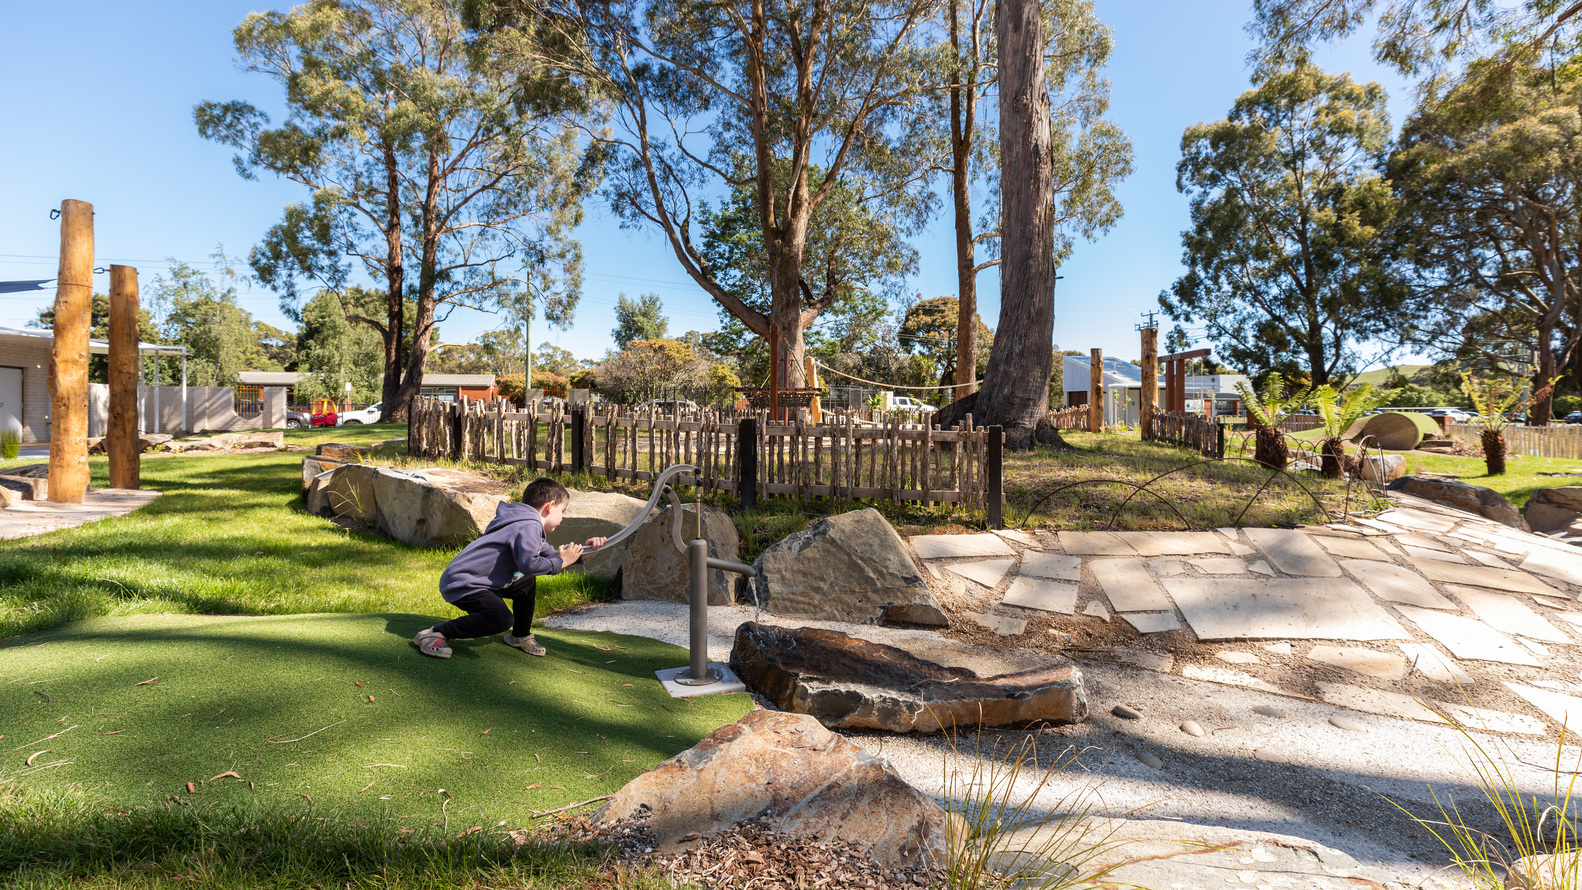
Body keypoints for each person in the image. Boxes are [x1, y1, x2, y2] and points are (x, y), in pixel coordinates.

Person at [413, 477, 604, 659]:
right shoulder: (528, 525)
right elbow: (530, 563)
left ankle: (520, 635)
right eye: (563, 511)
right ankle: (435, 633)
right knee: (501, 619)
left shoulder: (523, 522)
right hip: (465, 583)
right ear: (550, 506)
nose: (562, 518)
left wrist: (586, 551)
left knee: (526, 581)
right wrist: (562, 562)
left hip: (475, 579)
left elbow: (554, 556)